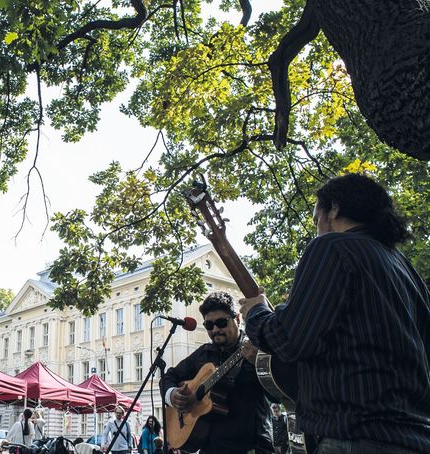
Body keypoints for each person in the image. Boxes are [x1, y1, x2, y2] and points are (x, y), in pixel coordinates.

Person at [239, 173, 430, 454]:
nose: (317, 229)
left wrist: (256, 312)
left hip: (354, 438)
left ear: (335, 208)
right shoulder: (404, 268)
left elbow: (288, 341)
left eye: (317, 219)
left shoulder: (332, 247)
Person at [160, 292, 273, 454]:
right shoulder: (203, 354)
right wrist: (172, 395)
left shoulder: (257, 348)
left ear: (238, 319)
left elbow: (278, 395)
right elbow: (169, 377)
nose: (215, 330)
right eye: (209, 325)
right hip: (210, 447)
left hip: (251, 446)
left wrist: (260, 363)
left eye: (221, 323)